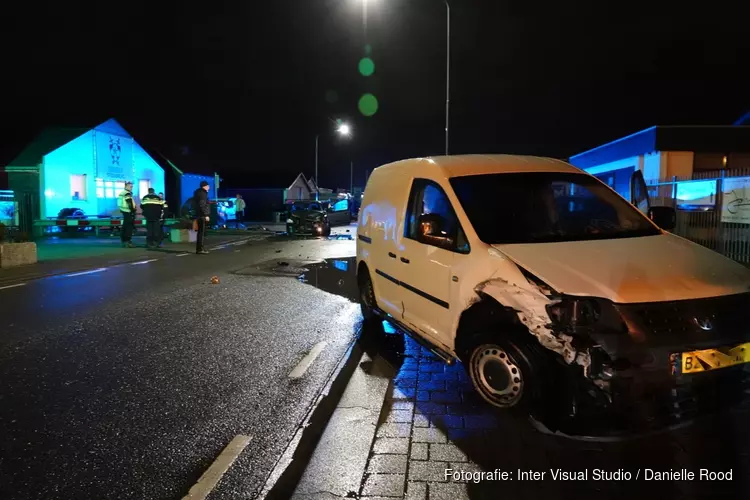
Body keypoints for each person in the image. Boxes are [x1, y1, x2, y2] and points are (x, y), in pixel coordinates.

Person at [193, 181, 211, 254]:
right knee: (201, 232)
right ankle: (200, 249)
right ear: (205, 186)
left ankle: (199, 248)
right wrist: (206, 214)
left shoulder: (198, 193)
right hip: (202, 215)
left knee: (200, 232)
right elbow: (202, 204)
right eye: (208, 186)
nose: (209, 187)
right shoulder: (202, 193)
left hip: (199, 214)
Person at [117, 181, 136, 248]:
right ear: (126, 186)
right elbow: (129, 203)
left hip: (124, 211)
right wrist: (133, 211)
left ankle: (124, 241)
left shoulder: (122, 193)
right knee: (128, 227)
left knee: (125, 226)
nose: (131, 188)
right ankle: (127, 241)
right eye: (130, 186)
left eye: (132, 186)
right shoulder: (127, 193)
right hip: (128, 211)